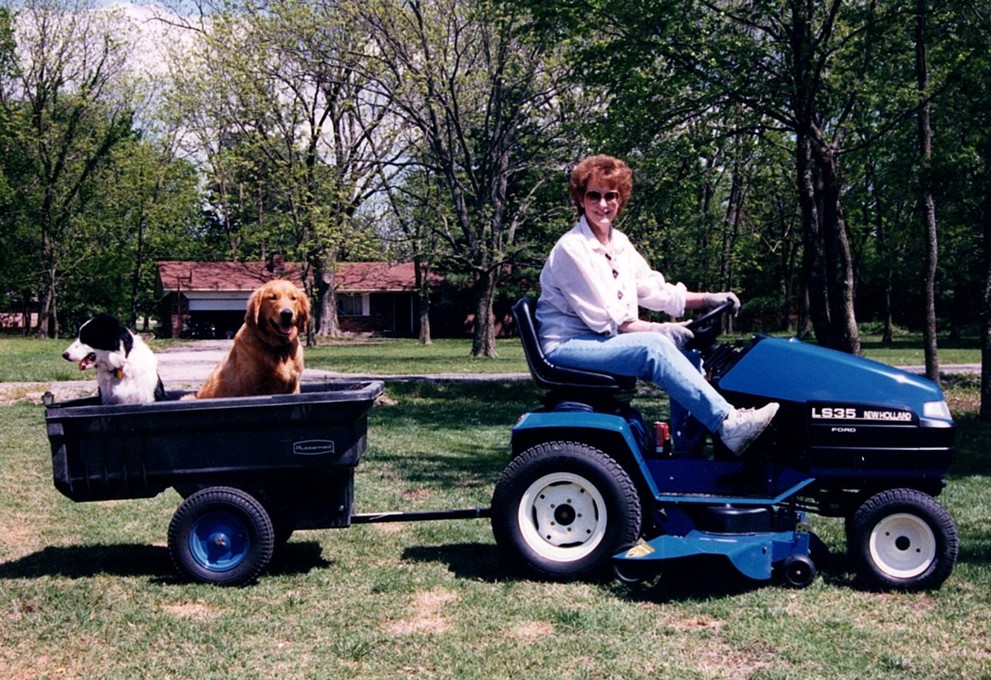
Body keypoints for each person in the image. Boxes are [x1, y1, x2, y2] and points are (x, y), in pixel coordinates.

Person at [537, 154, 779, 455]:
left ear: (620, 199)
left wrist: (707, 299)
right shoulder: (572, 249)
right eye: (594, 196)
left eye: (611, 196)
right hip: (568, 345)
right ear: (581, 199)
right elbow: (612, 321)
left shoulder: (618, 242)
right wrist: (665, 331)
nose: (603, 204)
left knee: (688, 352)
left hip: (598, 338)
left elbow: (654, 289)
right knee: (654, 347)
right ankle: (729, 423)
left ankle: (689, 453)